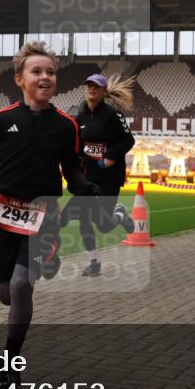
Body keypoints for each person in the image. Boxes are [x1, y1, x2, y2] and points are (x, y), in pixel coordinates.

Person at [0, 41, 98, 385]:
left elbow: (71, 168)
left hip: (44, 218)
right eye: (37, 71)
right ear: (20, 79)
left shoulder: (66, 126)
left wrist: (83, 185)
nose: (45, 77)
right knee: (6, 293)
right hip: (5, 217)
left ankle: (9, 364)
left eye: (50, 72)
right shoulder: (1, 120)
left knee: (20, 286)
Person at [62, 73, 137, 277]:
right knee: (76, 219)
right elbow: (76, 146)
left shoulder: (113, 115)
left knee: (103, 225)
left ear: (103, 91)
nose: (91, 89)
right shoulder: (80, 116)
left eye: (96, 86)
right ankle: (93, 262)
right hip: (87, 178)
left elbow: (128, 141)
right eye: (88, 86)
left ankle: (119, 215)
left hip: (109, 177)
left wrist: (111, 155)